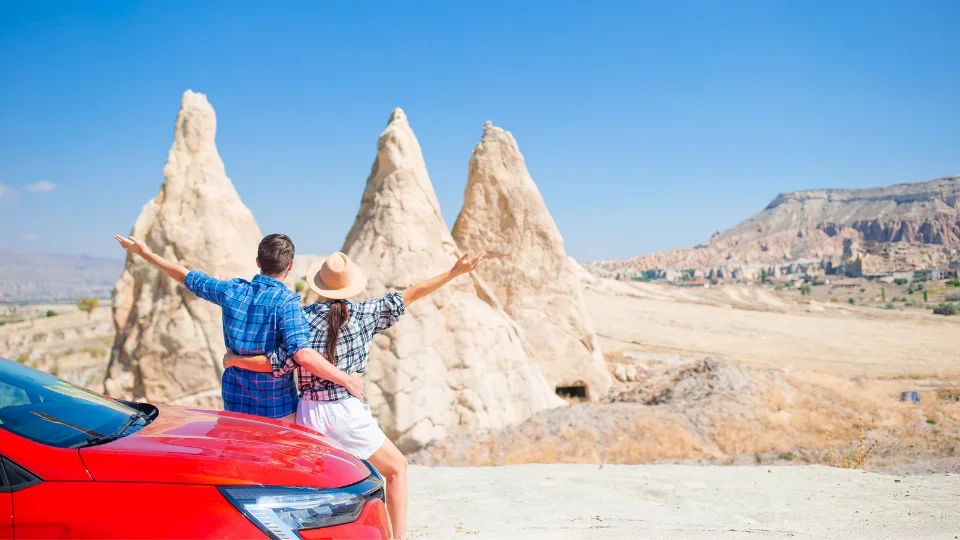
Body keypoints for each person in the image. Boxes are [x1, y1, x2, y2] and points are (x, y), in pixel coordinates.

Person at [224, 250, 485, 540]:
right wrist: (454, 272)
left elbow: (278, 362)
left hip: (307, 412)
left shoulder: (301, 318)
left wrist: (235, 360)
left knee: (319, 485)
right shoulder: (365, 314)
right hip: (344, 412)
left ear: (319, 285)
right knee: (396, 469)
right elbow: (410, 295)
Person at [113, 233, 364, 422]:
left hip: (235, 405)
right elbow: (302, 354)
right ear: (290, 265)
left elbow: (186, 276)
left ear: (258, 261)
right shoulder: (287, 302)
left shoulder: (232, 291)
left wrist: (145, 254)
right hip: (277, 409)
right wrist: (347, 381)